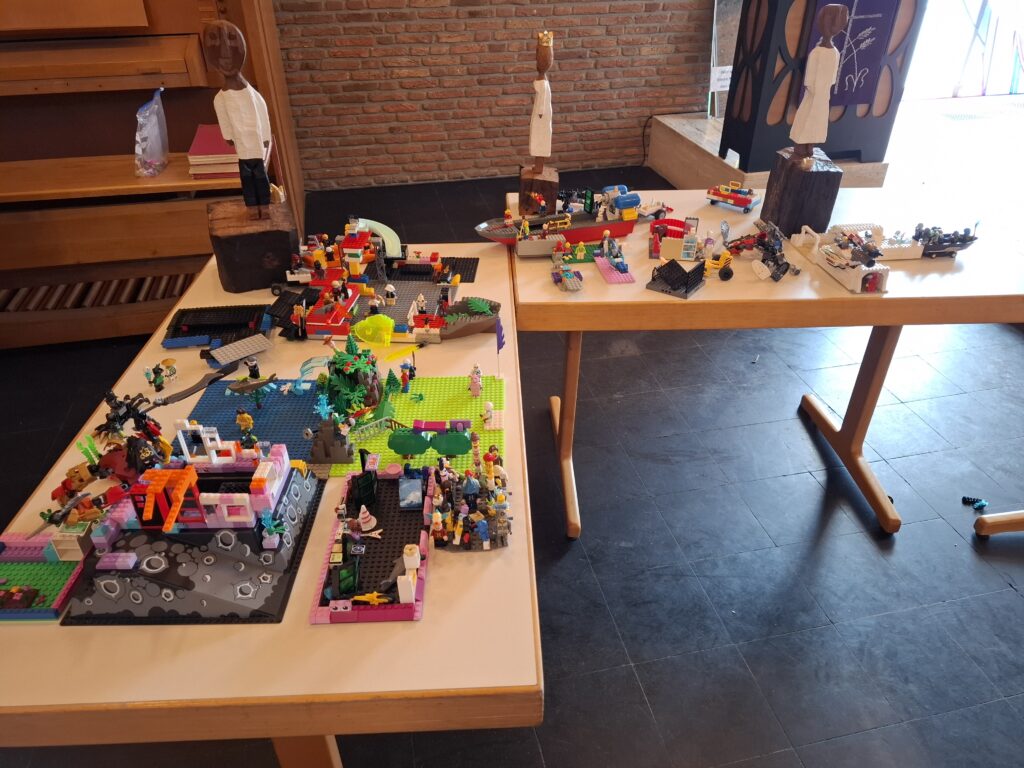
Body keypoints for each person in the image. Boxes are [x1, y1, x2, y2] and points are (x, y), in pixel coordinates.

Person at [203, 21, 273, 219]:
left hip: (256, 147)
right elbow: (224, 119)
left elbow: (263, 114)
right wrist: (228, 136)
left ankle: (264, 206)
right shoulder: (220, 98)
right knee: (247, 180)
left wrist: (265, 137)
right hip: (242, 149)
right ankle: (252, 207)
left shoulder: (252, 95)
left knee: (261, 177)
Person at [790, 4, 850, 163]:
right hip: (815, 94)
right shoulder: (818, 52)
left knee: (816, 122)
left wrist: (823, 89)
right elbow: (810, 77)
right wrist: (814, 89)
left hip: (822, 95)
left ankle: (809, 145)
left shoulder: (833, 53)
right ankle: (801, 146)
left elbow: (831, 76)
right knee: (807, 118)